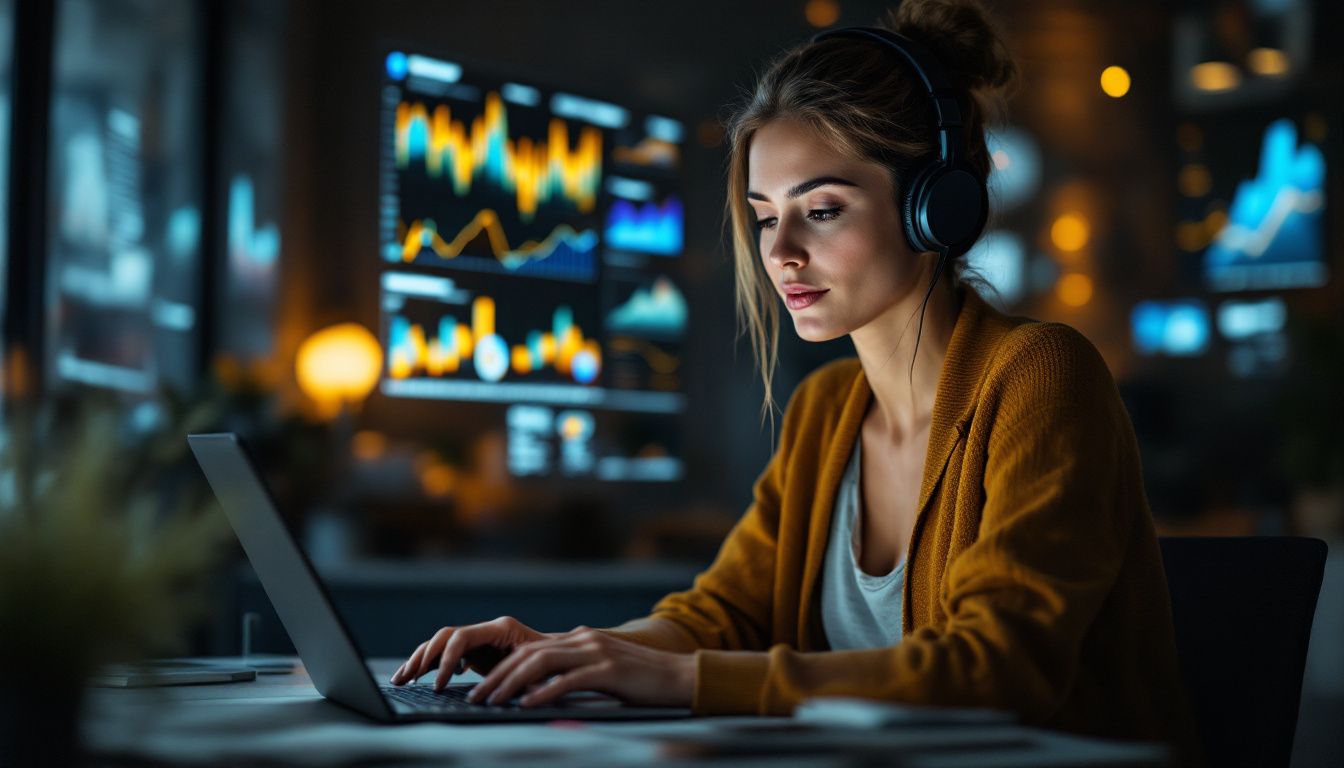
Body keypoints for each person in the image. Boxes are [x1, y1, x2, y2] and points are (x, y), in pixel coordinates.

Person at [391, 0, 1200, 761]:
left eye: (822, 210)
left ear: (936, 209)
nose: (780, 254)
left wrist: (678, 678)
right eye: (765, 213)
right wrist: (570, 649)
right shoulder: (825, 411)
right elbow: (725, 615)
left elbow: (995, 670)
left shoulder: (1041, 376)